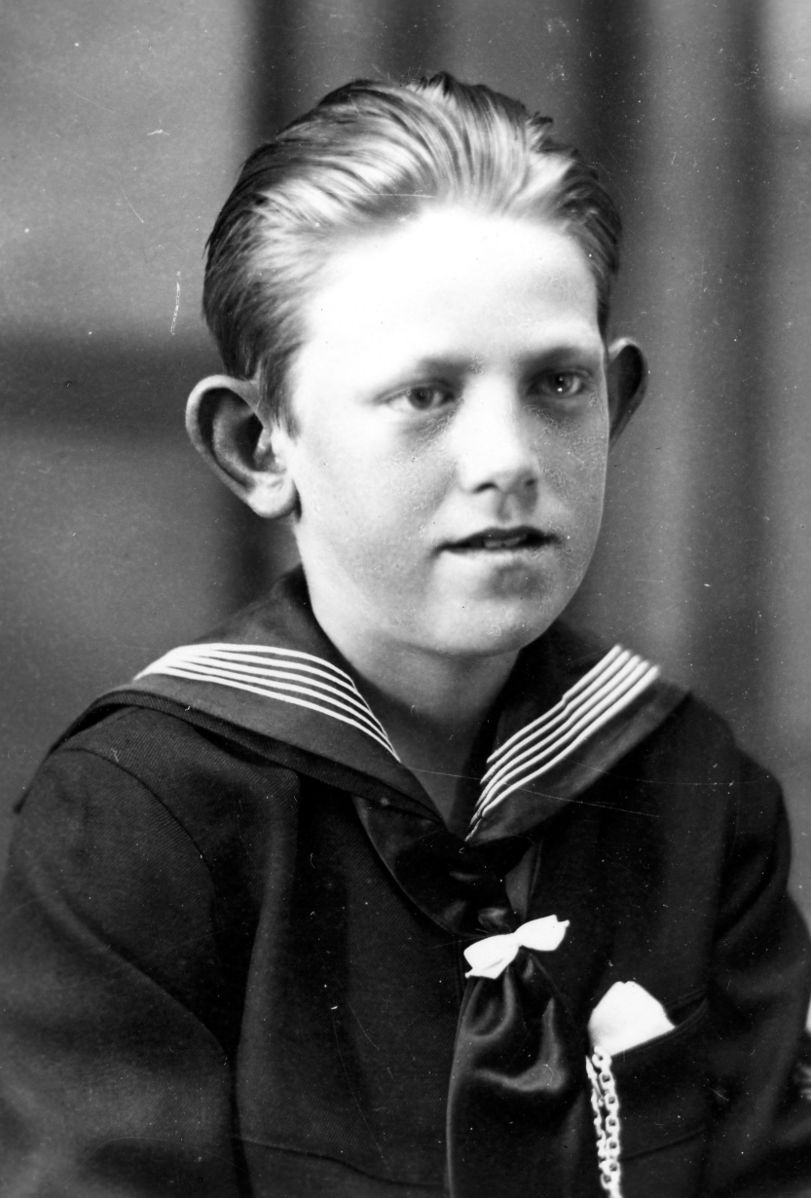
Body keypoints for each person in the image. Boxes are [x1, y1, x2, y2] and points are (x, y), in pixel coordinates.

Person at [0, 72, 809, 1198]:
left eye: (557, 383)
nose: (507, 459)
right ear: (257, 444)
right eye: (425, 395)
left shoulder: (693, 790)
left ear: (617, 404)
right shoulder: (140, 820)